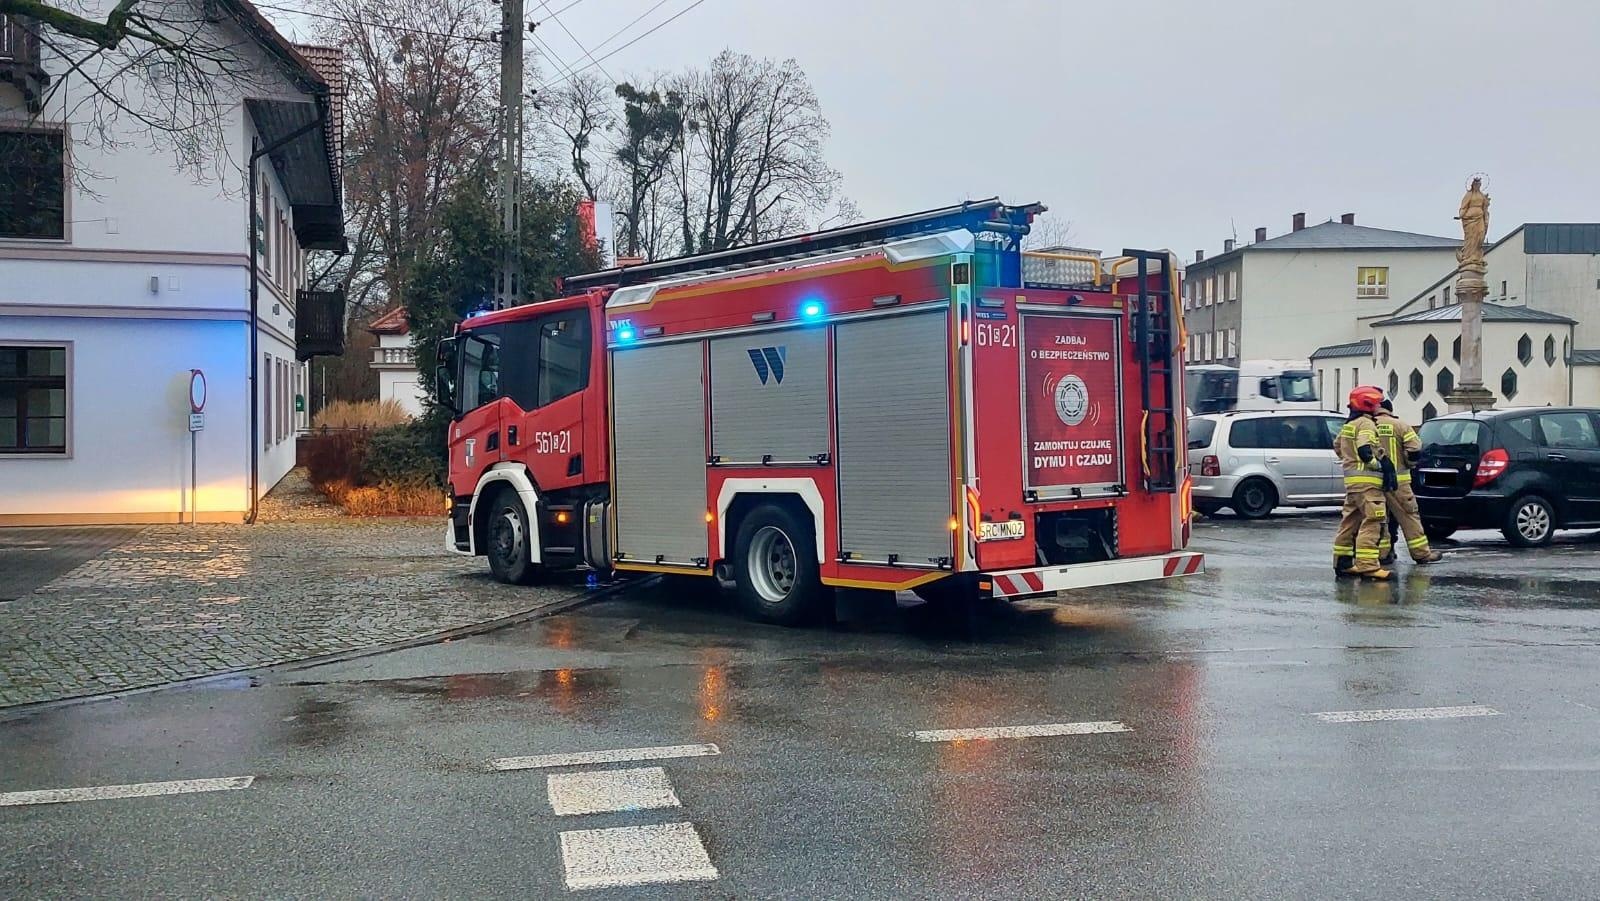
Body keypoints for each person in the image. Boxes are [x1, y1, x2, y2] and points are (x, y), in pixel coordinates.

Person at [1332, 385, 1393, 580]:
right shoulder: (1366, 424)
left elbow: (1337, 445)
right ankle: (1368, 567)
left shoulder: (1349, 424)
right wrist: (1378, 466)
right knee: (1373, 522)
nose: (1378, 407)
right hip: (1368, 486)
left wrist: (1350, 461)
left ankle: (1343, 563)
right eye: (1376, 404)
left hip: (1353, 485)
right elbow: (1365, 450)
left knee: (1349, 522)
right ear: (1368, 404)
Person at [1375, 398, 1445, 566]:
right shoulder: (1400, 425)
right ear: (1390, 410)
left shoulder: (1367, 425)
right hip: (1399, 483)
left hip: (1373, 482)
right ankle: (1421, 554)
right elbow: (1415, 449)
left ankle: (1383, 554)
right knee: (1409, 517)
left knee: (1379, 519)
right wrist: (1409, 463)